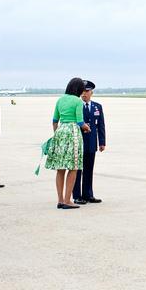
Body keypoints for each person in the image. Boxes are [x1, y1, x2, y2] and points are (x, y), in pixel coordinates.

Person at [46, 77, 90, 209]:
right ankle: (67, 200)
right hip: (73, 132)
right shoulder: (77, 101)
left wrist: (56, 135)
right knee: (73, 167)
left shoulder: (60, 100)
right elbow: (80, 122)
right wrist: (87, 128)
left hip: (60, 131)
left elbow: (55, 120)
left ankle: (60, 200)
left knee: (60, 168)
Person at [73, 80, 106, 204]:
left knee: (89, 170)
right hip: (79, 142)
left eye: (86, 91)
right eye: (82, 91)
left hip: (92, 143)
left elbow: (101, 125)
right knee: (77, 170)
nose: (84, 94)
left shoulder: (97, 107)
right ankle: (77, 196)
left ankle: (88, 194)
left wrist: (102, 142)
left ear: (91, 92)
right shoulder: (77, 106)